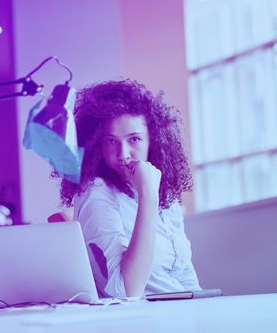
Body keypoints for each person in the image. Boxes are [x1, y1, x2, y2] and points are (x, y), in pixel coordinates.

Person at [58, 79, 201, 298]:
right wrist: (148, 197)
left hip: (184, 310)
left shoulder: (163, 192)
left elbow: (185, 277)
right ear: (96, 145)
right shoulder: (96, 192)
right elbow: (126, 291)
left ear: (154, 140)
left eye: (134, 139)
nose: (123, 153)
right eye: (111, 141)